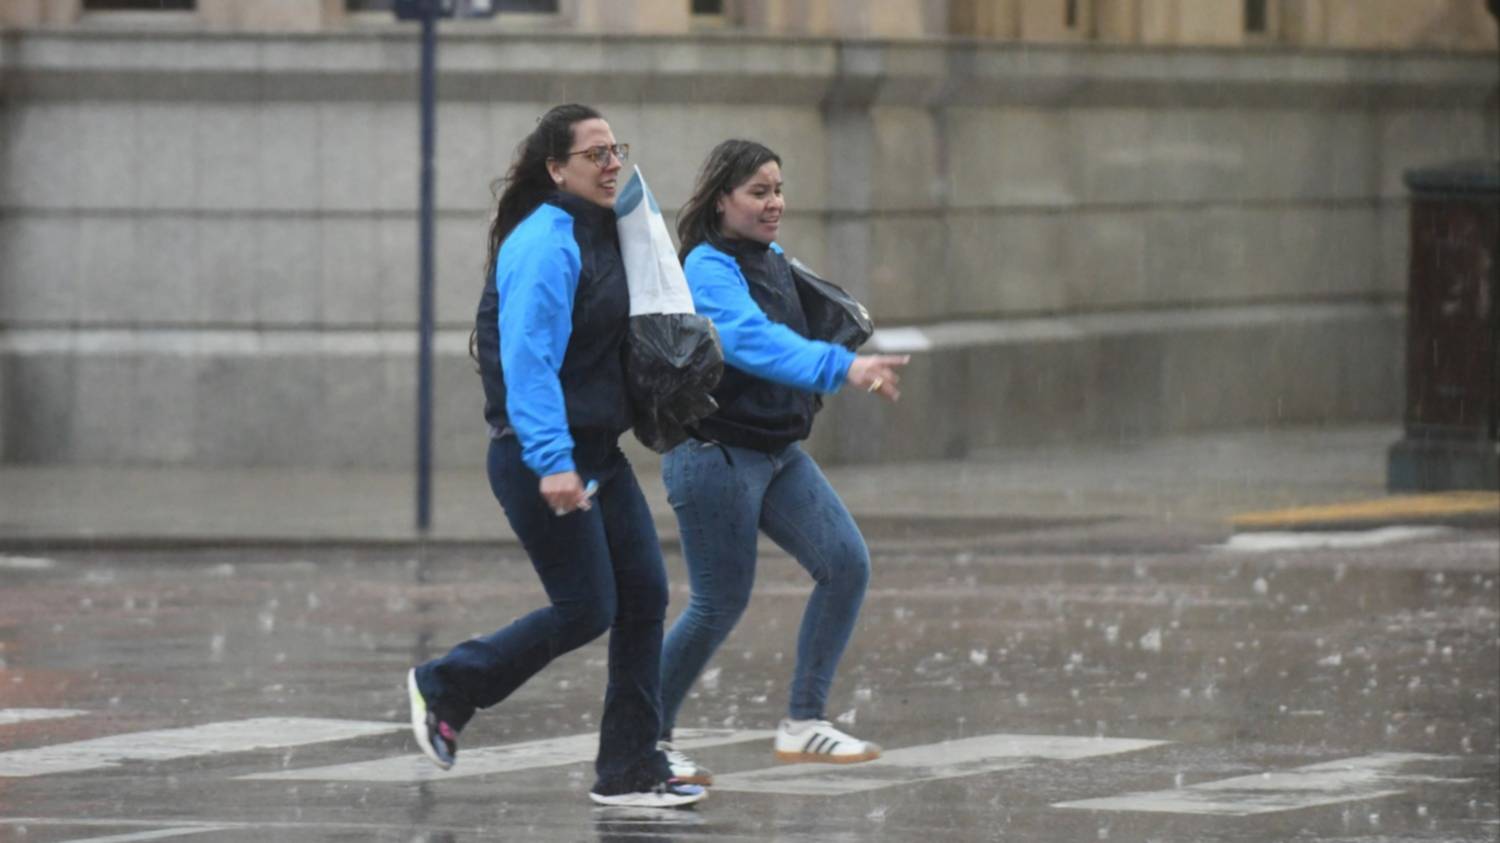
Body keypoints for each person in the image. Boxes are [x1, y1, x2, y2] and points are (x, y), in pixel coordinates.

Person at [405, 104, 705, 809]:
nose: (610, 164)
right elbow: (529, 361)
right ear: (556, 168)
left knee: (644, 598)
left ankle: (628, 766)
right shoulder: (544, 242)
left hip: (597, 450)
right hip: (538, 454)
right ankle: (447, 683)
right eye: (594, 153)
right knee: (587, 606)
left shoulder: (610, 231)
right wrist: (553, 461)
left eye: (615, 151)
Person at [656, 139, 910, 785]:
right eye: (759, 192)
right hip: (716, 454)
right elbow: (748, 340)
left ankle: (803, 721)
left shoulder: (768, 257)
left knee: (846, 564)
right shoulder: (708, 267)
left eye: (778, 189)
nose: (775, 203)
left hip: (776, 451)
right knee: (718, 602)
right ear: (722, 200)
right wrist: (842, 365)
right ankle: (641, 735)